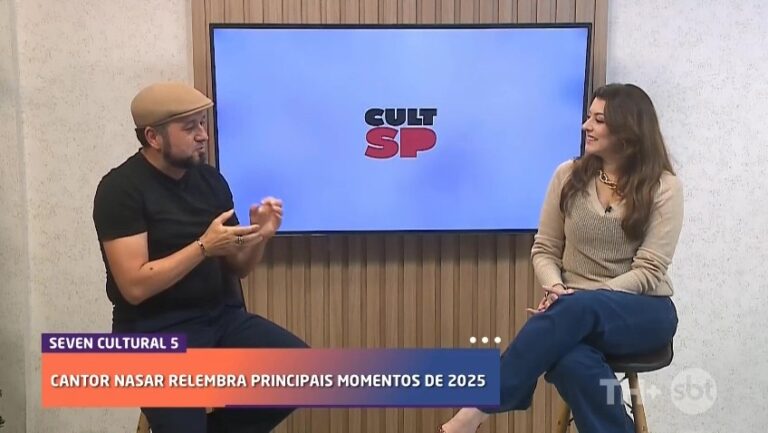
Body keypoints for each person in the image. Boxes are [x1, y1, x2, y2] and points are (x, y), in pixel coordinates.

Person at [440, 83, 683, 433]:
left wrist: (578, 300)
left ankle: (476, 409)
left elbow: (649, 271)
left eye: (599, 120)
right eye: (588, 117)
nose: (586, 126)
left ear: (627, 129)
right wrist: (556, 287)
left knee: (577, 310)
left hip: (643, 313)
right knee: (571, 360)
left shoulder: (664, 187)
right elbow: (545, 249)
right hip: (573, 310)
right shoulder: (567, 176)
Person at [93, 82, 308, 433]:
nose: (203, 135)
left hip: (220, 319)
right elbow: (134, 286)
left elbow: (238, 267)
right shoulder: (121, 189)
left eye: (203, 124)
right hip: (154, 332)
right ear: (153, 137)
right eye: (190, 127)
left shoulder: (210, 181)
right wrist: (203, 247)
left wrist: (261, 234)